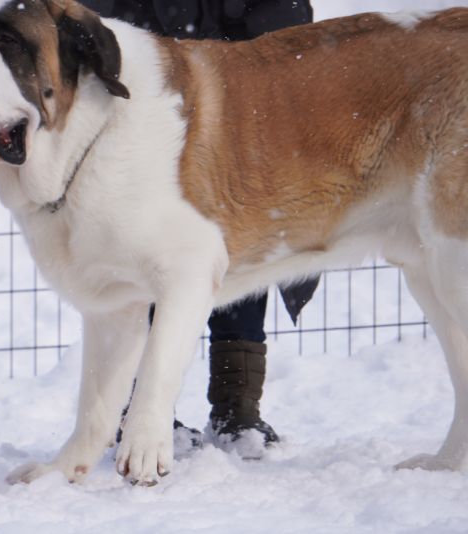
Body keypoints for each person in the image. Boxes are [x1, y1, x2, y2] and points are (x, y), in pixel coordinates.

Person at [79, 0, 318, 448]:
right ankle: (139, 413)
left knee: (238, 258)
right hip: (148, 117)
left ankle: (238, 408)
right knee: (146, 263)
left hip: (244, 122)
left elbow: (284, 42)